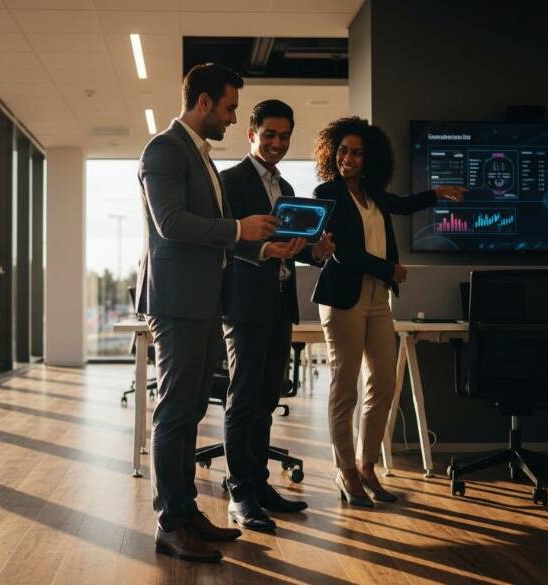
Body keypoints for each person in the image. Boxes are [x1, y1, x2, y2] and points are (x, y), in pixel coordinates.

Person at [135, 63, 280, 562]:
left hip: (203, 300)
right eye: (229, 107)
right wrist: (240, 229)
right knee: (175, 412)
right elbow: (172, 223)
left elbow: (215, 233)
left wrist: (259, 247)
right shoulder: (164, 149)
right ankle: (170, 523)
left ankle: (187, 510)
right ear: (202, 102)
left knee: (193, 408)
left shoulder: (202, 158)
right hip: (176, 301)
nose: (231, 116)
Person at [311, 117, 464, 507]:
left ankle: (367, 466)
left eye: (356, 153)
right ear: (333, 153)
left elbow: (403, 204)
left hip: (379, 298)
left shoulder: (373, 194)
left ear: (368, 158)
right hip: (343, 297)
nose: (347, 158)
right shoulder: (326, 192)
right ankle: (345, 471)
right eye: (342, 151)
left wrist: (437, 193)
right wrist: (390, 269)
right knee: (344, 387)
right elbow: (344, 251)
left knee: (383, 382)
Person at [219, 100, 335, 531]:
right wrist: (264, 249)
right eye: (268, 134)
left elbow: (294, 249)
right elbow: (222, 239)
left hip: (281, 301)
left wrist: (318, 253)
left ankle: (260, 483)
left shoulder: (287, 191)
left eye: (284, 137)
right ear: (251, 134)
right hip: (245, 302)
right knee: (244, 397)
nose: (277, 143)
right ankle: (239, 491)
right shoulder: (229, 182)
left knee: (268, 397)